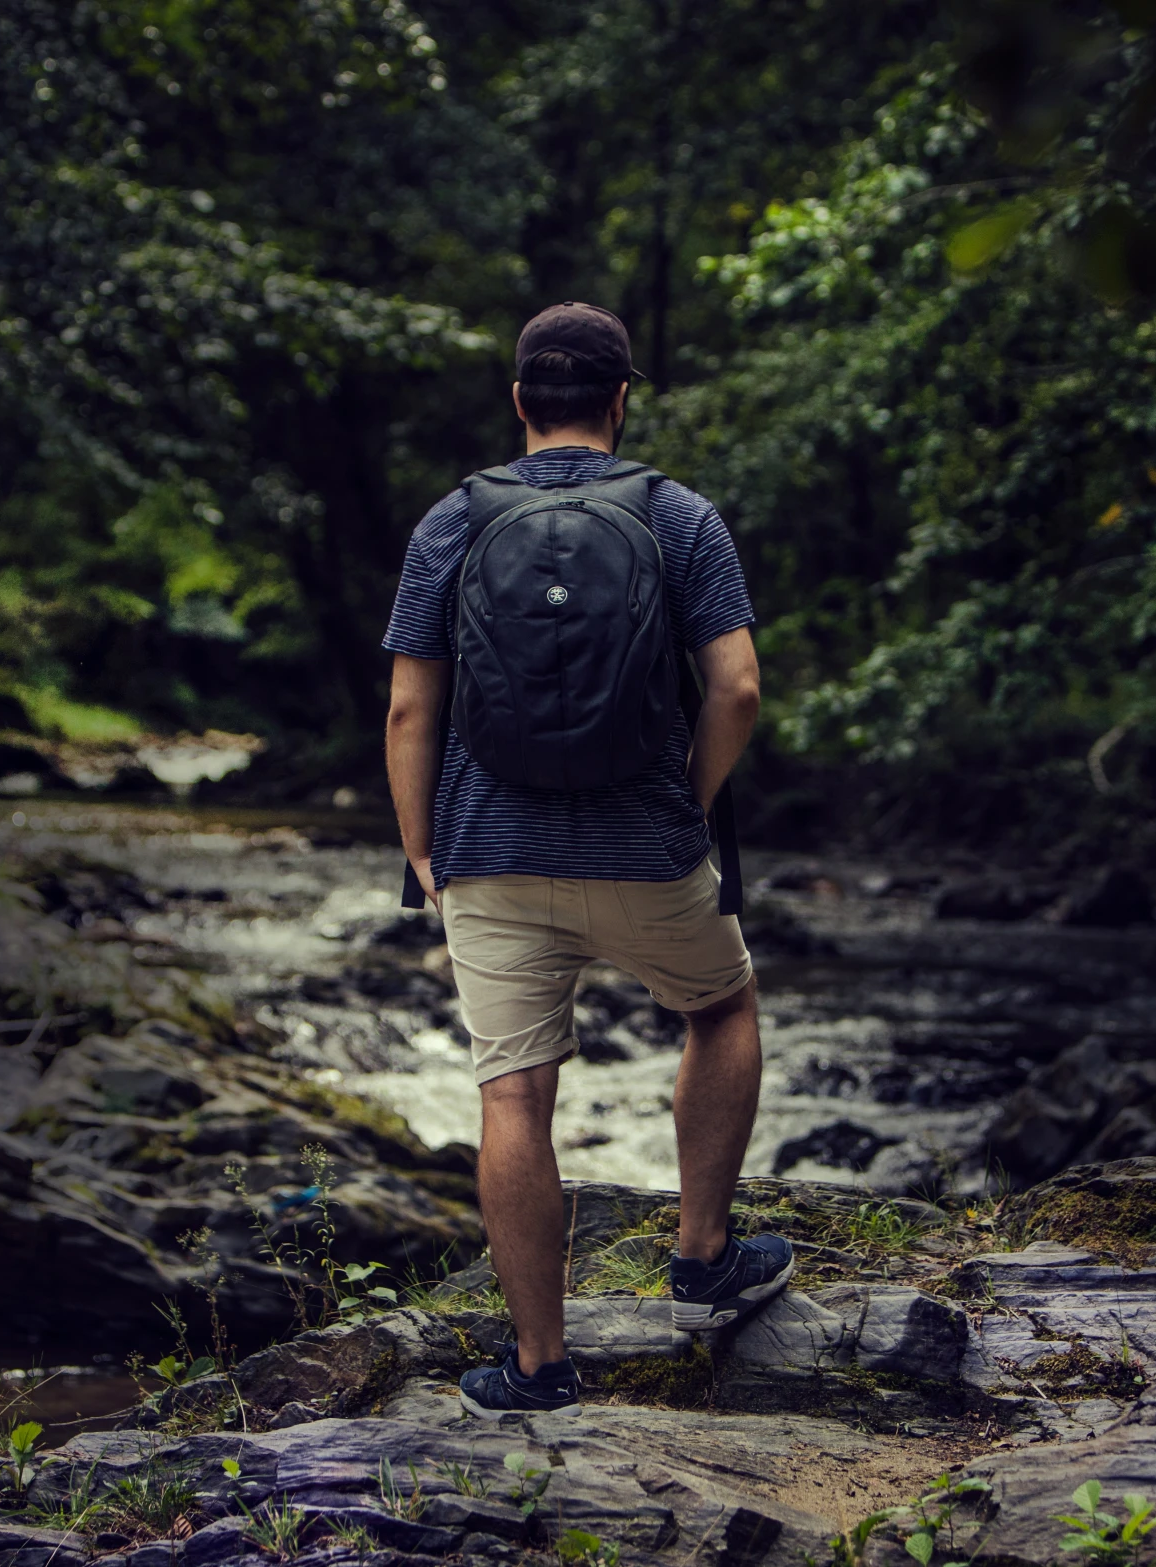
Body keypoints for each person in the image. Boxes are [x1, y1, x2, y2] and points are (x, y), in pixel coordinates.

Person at [380, 301, 792, 1417]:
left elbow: (412, 703)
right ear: (621, 400)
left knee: (513, 1092)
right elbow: (738, 686)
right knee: (721, 1004)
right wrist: (686, 803)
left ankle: (539, 1367)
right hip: (645, 844)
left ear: (519, 401)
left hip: (490, 851)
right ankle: (702, 1260)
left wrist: (423, 845)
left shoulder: (452, 521)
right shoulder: (677, 515)